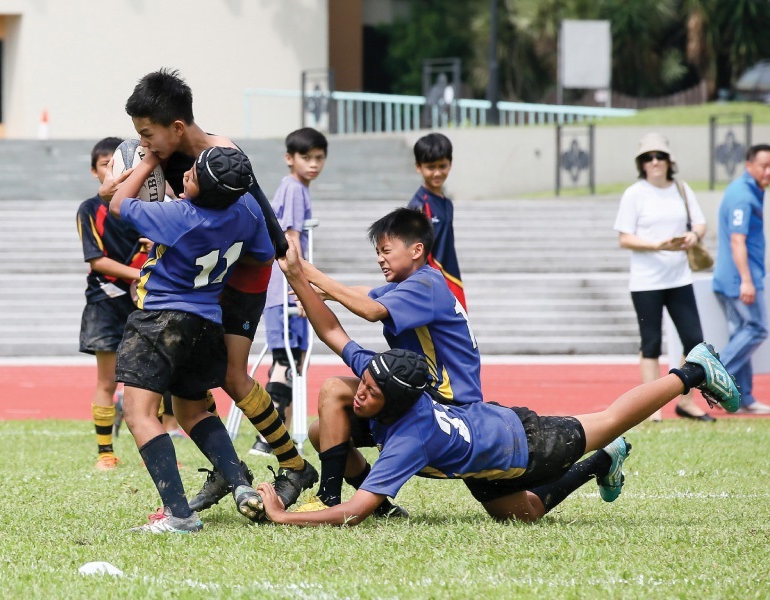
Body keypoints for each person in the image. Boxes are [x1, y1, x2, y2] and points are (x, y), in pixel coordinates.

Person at [255, 236, 741, 527]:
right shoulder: (390, 387)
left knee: (611, 419)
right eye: (365, 384)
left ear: (393, 406)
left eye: (369, 393)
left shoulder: (408, 437)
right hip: (479, 459)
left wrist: (284, 518)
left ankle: (693, 370)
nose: (359, 391)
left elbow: (353, 513)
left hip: (523, 440)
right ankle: (599, 465)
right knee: (525, 515)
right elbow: (333, 331)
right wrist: (296, 273)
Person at [102, 69, 318, 510]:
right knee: (191, 387)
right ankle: (229, 472)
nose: (143, 143)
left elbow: (263, 219)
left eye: (147, 134)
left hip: (240, 273)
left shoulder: (222, 156)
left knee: (232, 377)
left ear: (176, 127)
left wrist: (288, 265)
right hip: (204, 274)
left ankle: (293, 464)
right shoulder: (163, 153)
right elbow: (112, 193)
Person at [111, 145, 273, 533]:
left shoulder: (179, 216)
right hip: (207, 322)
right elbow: (261, 254)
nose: (186, 173)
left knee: (139, 414)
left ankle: (179, 515)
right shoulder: (248, 209)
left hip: (160, 320)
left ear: (200, 188)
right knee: (194, 411)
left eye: (193, 173)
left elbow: (118, 203)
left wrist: (148, 161)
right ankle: (239, 484)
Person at [293, 208, 482, 516]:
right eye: (377, 252)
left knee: (334, 390)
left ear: (416, 250)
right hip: (418, 395)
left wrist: (308, 273)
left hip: (448, 405)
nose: (380, 258)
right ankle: (382, 509)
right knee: (321, 432)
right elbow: (365, 293)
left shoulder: (427, 285)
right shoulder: (411, 284)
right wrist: (324, 294)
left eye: (386, 251)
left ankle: (327, 500)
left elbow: (370, 309)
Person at [614, 133, 714, 422]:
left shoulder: (681, 189)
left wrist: (693, 235)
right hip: (646, 281)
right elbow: (624, 238)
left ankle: (686, 401)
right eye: (648, 157)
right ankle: (651, 409)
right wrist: (656, 245)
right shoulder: (635, 193)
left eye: (659, 156)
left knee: (694, 340)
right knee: (651, 343)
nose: (655, 162)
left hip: (679, 277)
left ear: (670, 161)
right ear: (642, 164)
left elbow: (700, 222)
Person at [252, 127, 328, 456]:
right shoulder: (294, 188)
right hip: (287, 288)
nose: (313, 164)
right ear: (289, 158)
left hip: (279, 287)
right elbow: (291, 239)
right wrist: (303, 286)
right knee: (288, 361)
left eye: (319, 158)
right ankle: (267, 438)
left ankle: (277, 437)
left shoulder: (292, 187)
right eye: (305, 157)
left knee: (288, 360)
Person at [77, 136, 148, 470]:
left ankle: (158, 449)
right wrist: (137, 276)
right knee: (107, 381)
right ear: (95, 172)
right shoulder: (90, 210)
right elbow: (96, 260)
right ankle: (106, 453)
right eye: (106, 166)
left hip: (145, 302)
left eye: (119, 165)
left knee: (151, 380)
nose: (113, 172)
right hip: (105, 301)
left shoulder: (145, 205)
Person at [712, 143, 770, 414]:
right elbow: (738, 240)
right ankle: (711, 374)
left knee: (742, 333)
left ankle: (744, 397)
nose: (768, 172)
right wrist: (747, 280)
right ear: (749, 166)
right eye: (764, 166)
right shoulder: (743, 196)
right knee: (757, 328)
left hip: (733, 277)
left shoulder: (748, 190)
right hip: (739, 279)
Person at [407, 133, 466, 310]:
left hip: (452, 278)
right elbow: (412, 254)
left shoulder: (447, 203)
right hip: (432, 286)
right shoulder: (418, 205)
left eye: (442, 166)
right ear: (418, 166)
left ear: (450, 164)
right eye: (431, 167)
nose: (437, 172)